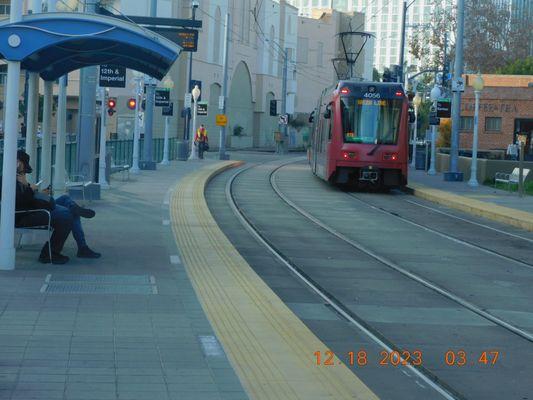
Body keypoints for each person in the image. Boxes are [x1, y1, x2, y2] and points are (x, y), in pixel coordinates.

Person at [0, 150, 101, 264]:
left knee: (65, 199)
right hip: (23, 216)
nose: (24, 172)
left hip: (34, 208)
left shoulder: (18, 178)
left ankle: (81, 243)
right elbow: (19, 203)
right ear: (18, 162)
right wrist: (30, 188)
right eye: (23, 166)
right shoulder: (6, 180)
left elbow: (27, 198)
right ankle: (49, 253)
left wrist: (37, 191)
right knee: (67, 215)